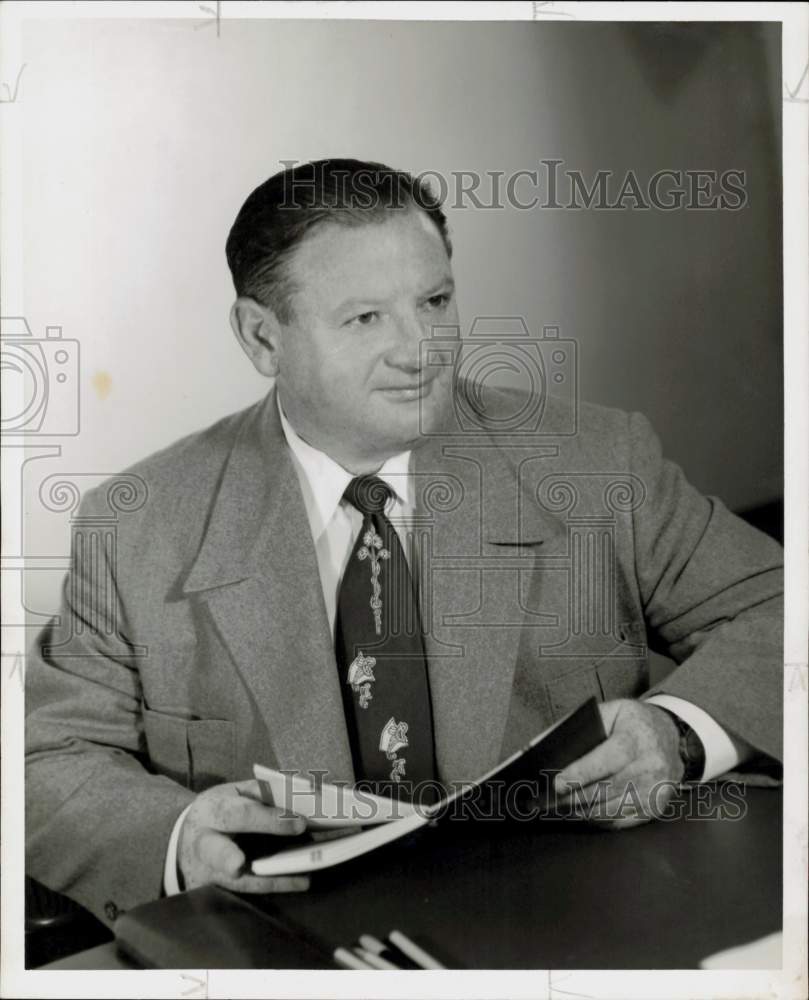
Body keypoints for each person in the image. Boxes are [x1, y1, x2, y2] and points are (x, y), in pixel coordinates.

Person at [25, 159, 783, 927]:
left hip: (577, 918)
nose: (421, 347)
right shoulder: (138, 524)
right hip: (289, 946)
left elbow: (781, 613)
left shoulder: (593, 459)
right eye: (365, 319)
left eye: (434, 301)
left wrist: (678, 733)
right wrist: (181, 835)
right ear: (262, 337)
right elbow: (47, 761)